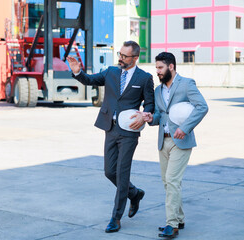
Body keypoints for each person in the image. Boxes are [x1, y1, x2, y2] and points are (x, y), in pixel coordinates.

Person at [67, 41, 154, 233]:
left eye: (125, 56)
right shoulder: (111, 72)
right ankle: (135, 193)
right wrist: (77, 72)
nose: (120, 59)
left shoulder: (145, 78)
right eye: (120, 55)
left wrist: (144, 114)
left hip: (129, 132)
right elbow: (90, 80)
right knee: (109, 171)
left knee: (122, 174)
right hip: (110, 128)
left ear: (135, 58)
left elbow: (150, 104)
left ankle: (116, 217)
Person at [141, 52, 208, 238]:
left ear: (171, 66)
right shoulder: (158, 90)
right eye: (156, 68)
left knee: (172, 180)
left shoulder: (187, 84)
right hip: (163, 140)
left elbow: (202, 107)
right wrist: (149, 118)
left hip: (181, 140)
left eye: (160, 68)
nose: (157, 71)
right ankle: (179, 218)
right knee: (168, 182)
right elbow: (158, 116)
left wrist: (185, 128)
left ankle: (172, 225)